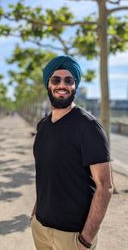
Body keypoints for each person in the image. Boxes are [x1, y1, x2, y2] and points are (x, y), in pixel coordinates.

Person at [30, 55, 114, 250]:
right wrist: (35, 213)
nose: (62, 85)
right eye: (56, 79)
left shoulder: (89, 127)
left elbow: (105, 186)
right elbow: (45, 173)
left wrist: (86, 239)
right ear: (48, 84)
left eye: (69, 80)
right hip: (40, 229)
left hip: (72, 236)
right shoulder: (43, 126)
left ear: (75, 86)